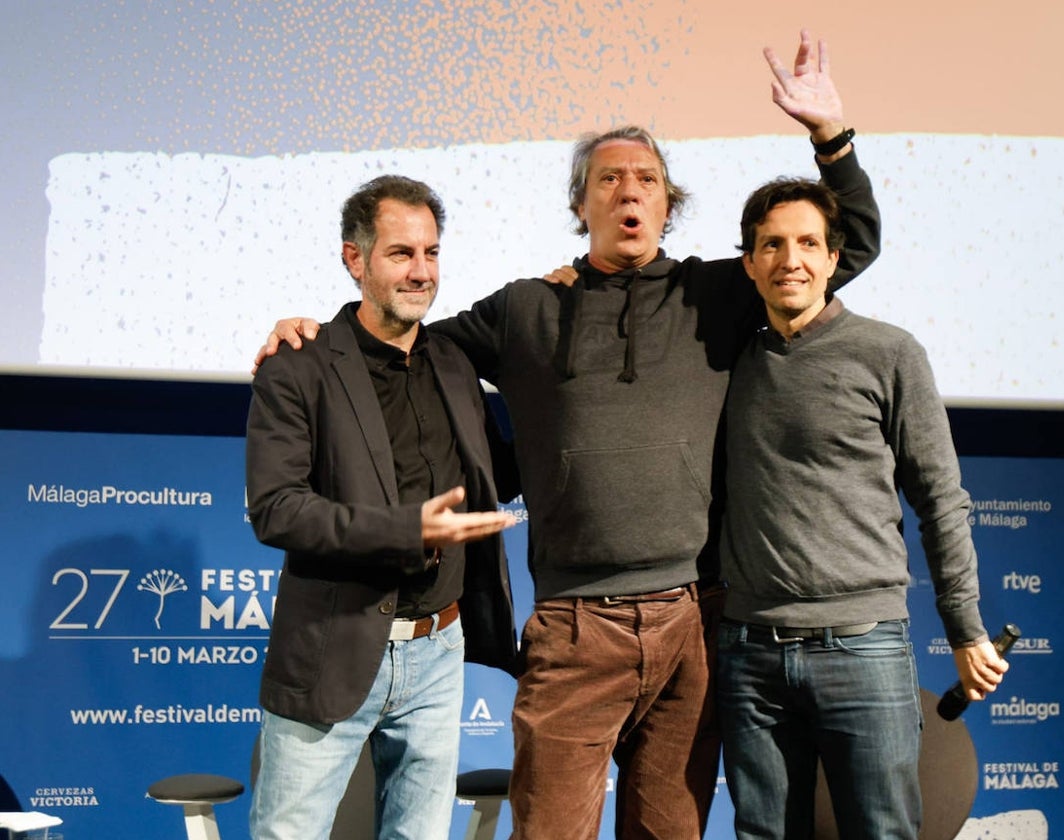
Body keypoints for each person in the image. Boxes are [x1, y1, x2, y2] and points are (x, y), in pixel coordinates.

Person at [257, 30, 882, 840]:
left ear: (668, 203)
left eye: (648, 180)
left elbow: (848, 247)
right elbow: (408, 333)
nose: (630, 190)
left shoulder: (718, 295)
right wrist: (314, 326)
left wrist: (830, 138)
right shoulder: (526, 307)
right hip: (574, 627)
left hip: (693, 619)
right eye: (609, 178)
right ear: (581, 203)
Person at [716, 176, 1008, 840]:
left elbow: (940, 498)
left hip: (863, 649)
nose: (791, 259)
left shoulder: (888, 353)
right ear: (749, 263)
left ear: (832, 258)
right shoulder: (723, 360)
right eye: (773, 244)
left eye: (808, 243)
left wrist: (965, 630)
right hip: (749, 653)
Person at [245, 174, 520, 840]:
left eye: (431, 253)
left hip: (438, 648)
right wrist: (408, 530)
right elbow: (276, 509)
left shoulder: (454, 362)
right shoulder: (300, 365)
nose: (421, 271)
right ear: (355, 260)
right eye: (402, 254)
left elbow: (492, 473)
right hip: (334, 644)